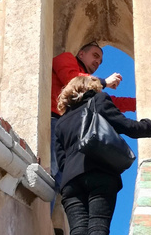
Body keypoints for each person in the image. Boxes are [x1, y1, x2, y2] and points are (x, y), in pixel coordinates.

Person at [53, 74, 151, 235]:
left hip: (71, 181)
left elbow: (60, 160)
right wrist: (148, 127)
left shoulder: (61, 122)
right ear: (90, 87)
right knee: (98, 227)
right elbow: (124, 125)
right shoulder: (99, 101)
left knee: (78, 233)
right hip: (99, 173)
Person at [50, 41, 136, 192]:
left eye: (101, 61)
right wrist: (103, 82)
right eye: (95, 56)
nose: (98, 62)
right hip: (55, 122)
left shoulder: (90, 84)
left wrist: (137, 103)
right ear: (81, 54)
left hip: (70, 133)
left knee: (63, 182)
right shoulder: (67, 58)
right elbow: (71, 80)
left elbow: (109, 102)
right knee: (51, 174)